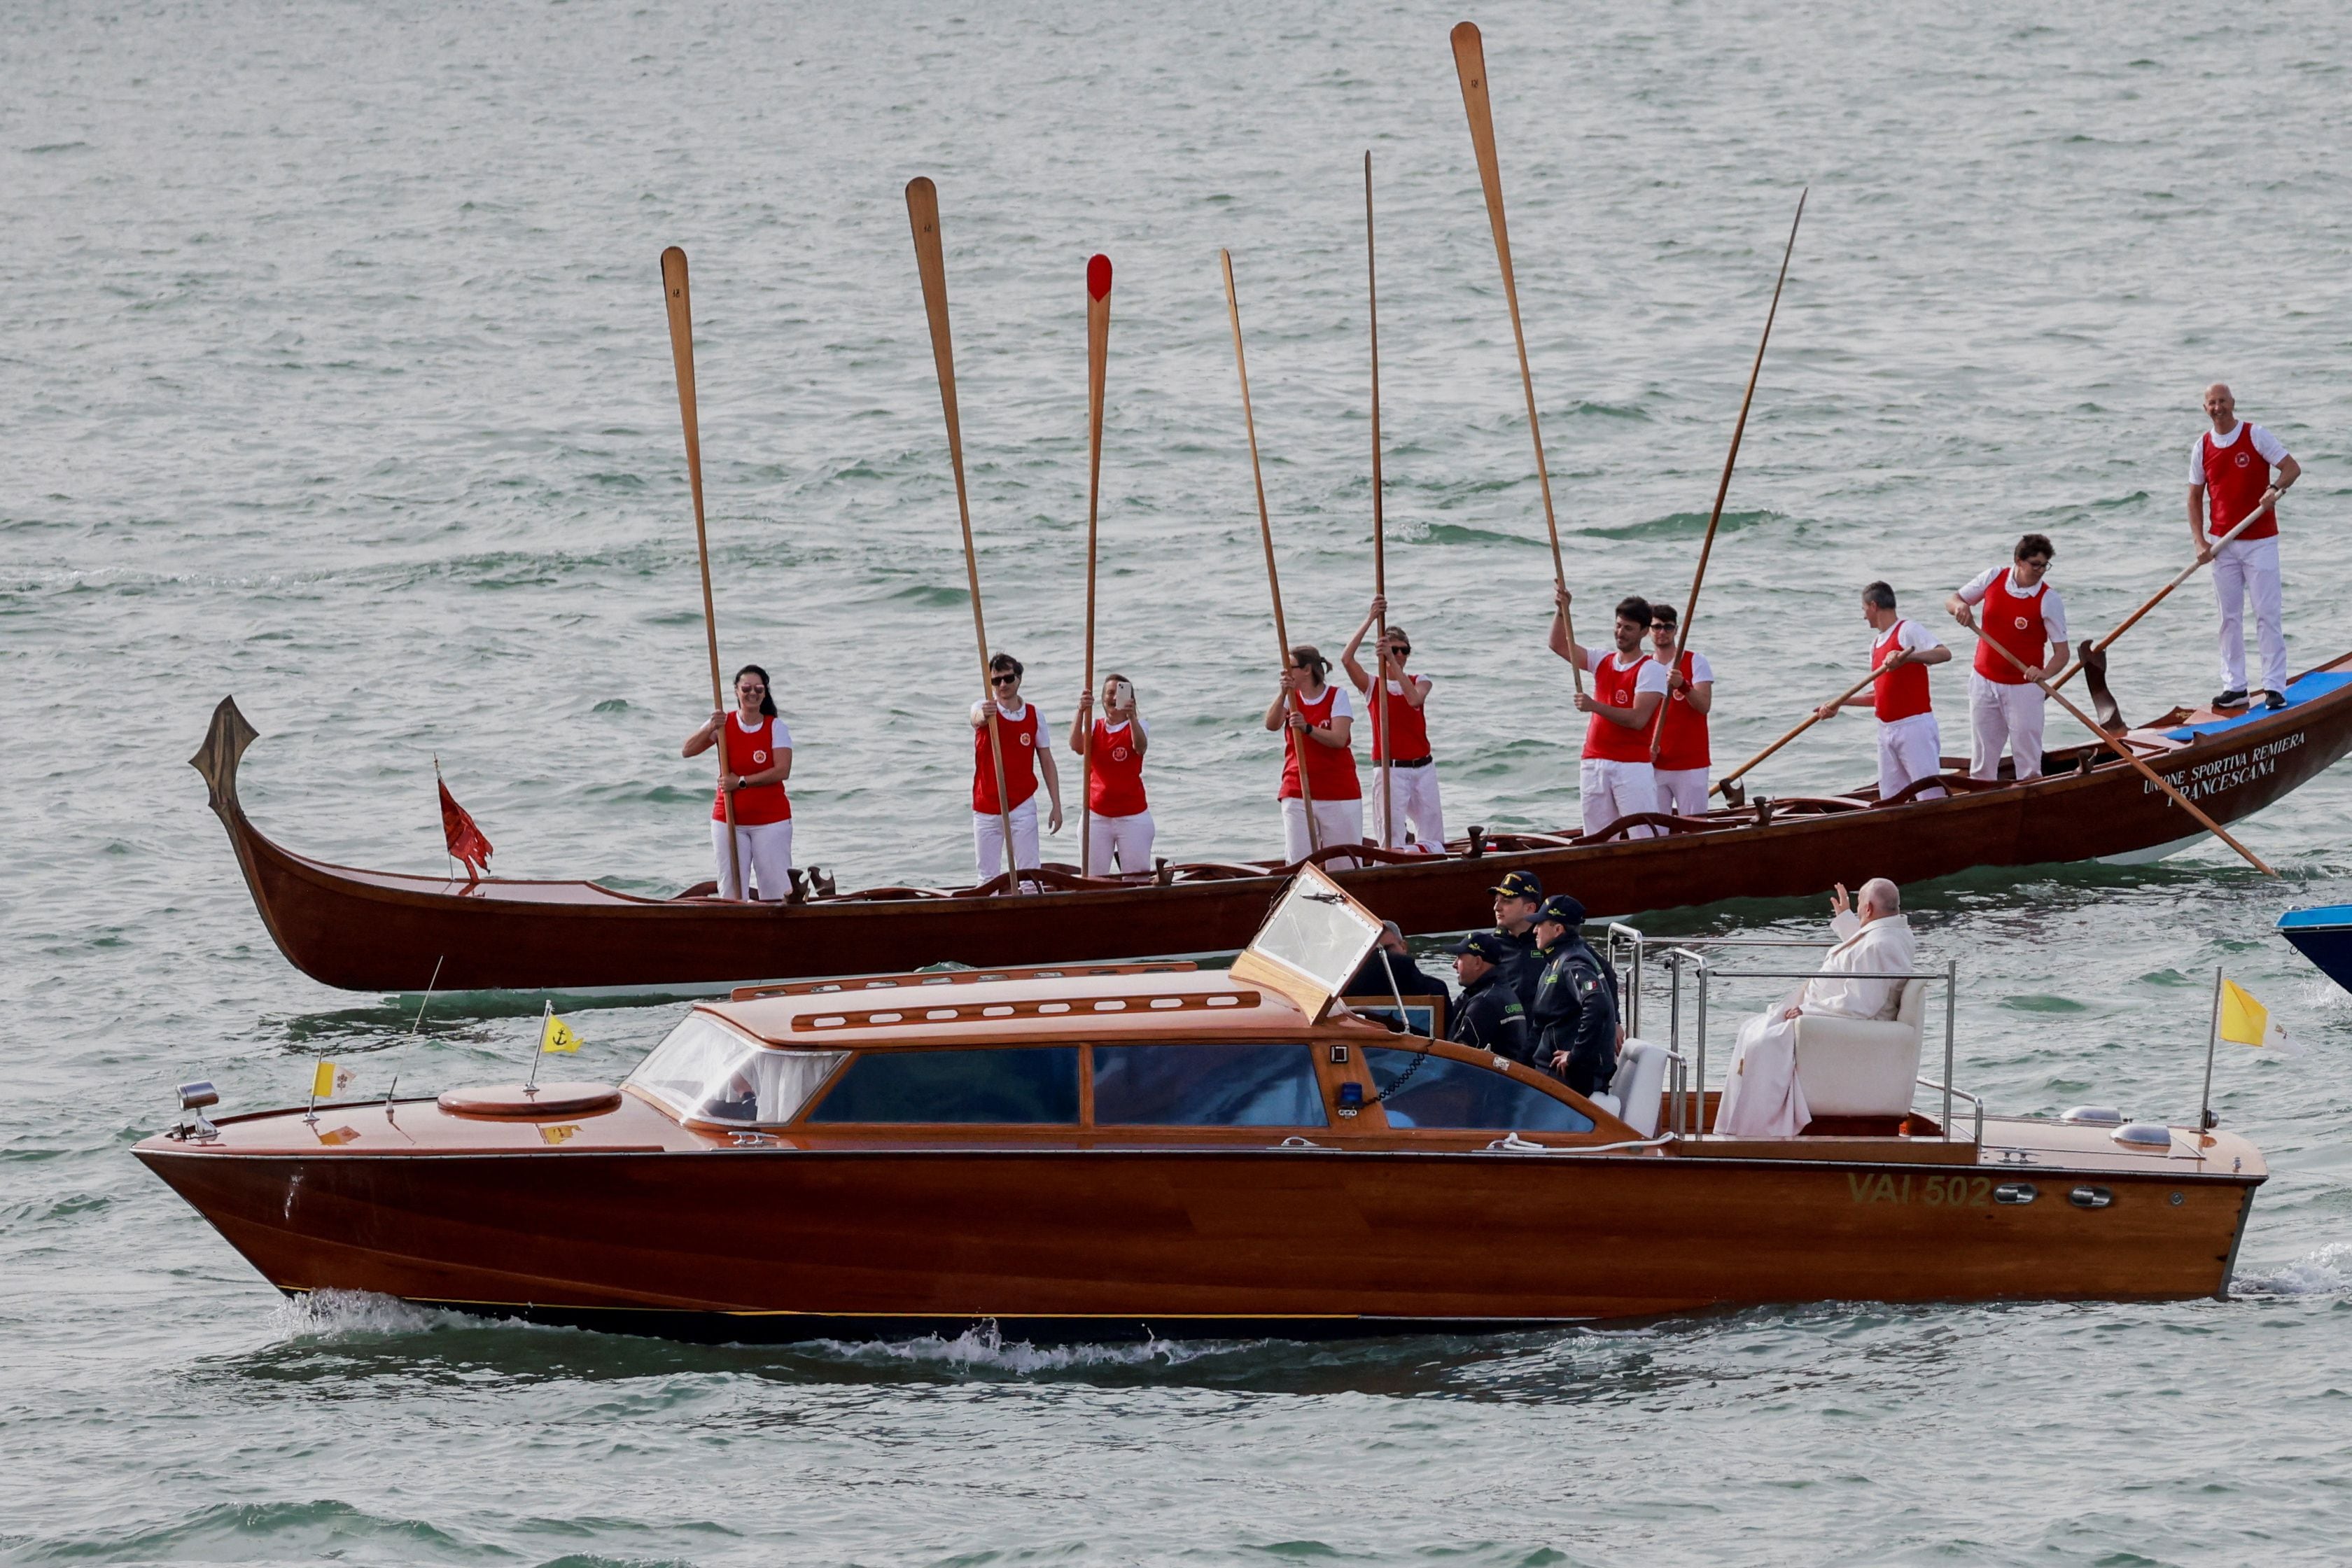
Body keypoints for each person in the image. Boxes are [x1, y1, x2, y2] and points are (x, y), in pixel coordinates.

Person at [1716, 878, 1917, 1138]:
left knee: (1760, 1043)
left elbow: (1861, 1004)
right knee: (1752, 1031)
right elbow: (1861, 957)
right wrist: (1846, 920)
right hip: (1824, 1014)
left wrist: (1809, 1011)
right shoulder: (1890, 934)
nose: (1857, 911)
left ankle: (1758, 1130)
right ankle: (1739, 1125)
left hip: (1831, 1022)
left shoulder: (1880, 944)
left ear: (1868, 909)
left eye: (1858, 907)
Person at [2190, 382, 2302, 709]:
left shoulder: (2256, 435)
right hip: (2222, 544)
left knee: (2267, 614)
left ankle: (2274, 687)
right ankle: (2236, 686)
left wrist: (2274, 488)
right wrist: (2200, 541)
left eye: (2222, 401)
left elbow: (2291, 469)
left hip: (2261, 541)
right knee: (2229, 618)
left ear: (2233, 403)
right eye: (2211, 403)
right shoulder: (2202, 446)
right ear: (2205, 408)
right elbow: (2195, 497)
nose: (2217, 407)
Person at [1815, 582, 1953, 803]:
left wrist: (1907, 657)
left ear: (1873, 606)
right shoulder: (1875, 645)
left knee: (1929, 796)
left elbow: (1944, 654)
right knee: (1890, 799)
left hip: (1914, 727)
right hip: (1886, 730)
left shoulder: (1907, 630)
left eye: (1863, 610)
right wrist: (1840, 703)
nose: (1864, 617)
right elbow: (1879, 695)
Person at [1946, 533, 2066, 783]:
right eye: (2035, 564)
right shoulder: (1993, 577)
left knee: (2028, 757)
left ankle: (2031, 799)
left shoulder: (2049, 599)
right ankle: (1982, 802)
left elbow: (2062, 654)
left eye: (2045, 565)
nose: (2041, 570)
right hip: (1983, 681)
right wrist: (1961, 608)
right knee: (1982, 757)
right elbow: (1953, 599)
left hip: (2024, 689)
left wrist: (2044, 673)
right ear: (2018, 561)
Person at [1549, 587, 1668, 837]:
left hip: (1632, 765)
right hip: (1594, 761)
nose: (1620, 633)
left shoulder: (1651, 670)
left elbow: (1638, 719)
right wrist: (1562, 610)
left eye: (1628, 628)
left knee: (1642, 835)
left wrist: (1594, 706)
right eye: (1618, 626)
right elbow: (1559, 645)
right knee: (1597, 838)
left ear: (1644, 632)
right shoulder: (1601, 660)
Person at [681, 664, 795, 901]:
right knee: (731, 890)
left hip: (771, 821)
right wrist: (712, 726)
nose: (752, 693)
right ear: (736, 691)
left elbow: (782, 771)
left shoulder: (776, 726)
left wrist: (741, 782)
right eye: (746, 688)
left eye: (758, 689)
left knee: (775, 889)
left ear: (765, 693)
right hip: (729, 820)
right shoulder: (723, 724)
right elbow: (687, 751)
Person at [1341, 596, 1443, 853]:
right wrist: (1371, 619)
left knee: (1434, 836)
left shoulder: (1420, 680)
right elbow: (1346, 659)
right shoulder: (1373, 685)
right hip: (1390, 769)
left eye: (1404, 651)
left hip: (1423, 767)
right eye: (1394, 650)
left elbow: (1414, 700)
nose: (1400, 655)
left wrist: (1392, 662)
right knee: (1391, 838)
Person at [1263, 645, 1364, 867]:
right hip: (1297, 789)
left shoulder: (1338, 696)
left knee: (1343, 865)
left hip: (1338, 791)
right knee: (1299, 865)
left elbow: (1339, 739)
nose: (1285, 673)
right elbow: (1271, 724)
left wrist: (1307, 728)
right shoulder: (1291, 698)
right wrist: (1282, 695)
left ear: (1307, 670)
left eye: (1290, 667)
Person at [970, 653, 1063, 884]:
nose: (1002, 685)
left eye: (1008, 678)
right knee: (987, 878)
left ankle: (1030, 911)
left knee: (1029, 876)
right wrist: (984, 715)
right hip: (987, 806)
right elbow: (975, 718)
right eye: (996, 680)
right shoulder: (984, 708)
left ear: (1019, 679)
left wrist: (1056, 804)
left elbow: (1047, 761)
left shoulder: (1034, 715)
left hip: (1022, 805)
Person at [1527, 893, 1619, 1096]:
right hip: (1546, 1069)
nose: (1534, 930)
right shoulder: (1558, 958)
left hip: (1569, 1078)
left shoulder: (1573, 961)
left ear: (1558, 929)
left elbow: (1598, 1004)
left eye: (1539, 925)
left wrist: (1576, 1056)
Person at [1068, 672, 1153, 876]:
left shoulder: (1140, 726)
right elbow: (1076, 746)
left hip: (1132, 817)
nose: (1114, 698)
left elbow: (1140, 747)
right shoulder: (1094, 726)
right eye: (1110, 693)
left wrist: (1131, 716)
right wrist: (1081, 711)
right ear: (1103, 698)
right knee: (1093, 879)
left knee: (1137, 879)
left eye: (1120, 693)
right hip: (1096, 817)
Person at [1644, 603, 1714, 818]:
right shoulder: (1644, 666)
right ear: (1648, 630)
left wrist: (1684, 685)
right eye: (1656, 627)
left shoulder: (1695, 661)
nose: (1662, 632)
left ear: (1676, 630)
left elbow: (1704, 706)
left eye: (1668, 627)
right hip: (1654, 763)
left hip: (1690, 764)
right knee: (1655, 830)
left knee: (1694, 827)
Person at [1444, 930, 1533, 1063]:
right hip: (1510, 1078)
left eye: (1459, 957)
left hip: (1489, 1081)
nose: (1454, 964)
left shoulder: (1483, 1003)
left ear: (1478, 963)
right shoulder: (1503, 992)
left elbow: (1457, 1059)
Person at [1344, 920, 1450, 1002]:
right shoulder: (1348, 991)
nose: (1381, 957)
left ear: (1403, 947)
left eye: (1387, 949)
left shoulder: (1435, 990)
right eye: (1374, 953)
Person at [1488, 869, 1546, 1012]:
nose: (1497, 907)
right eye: (1496, 900)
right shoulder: (1488, 949)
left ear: (1530, 908)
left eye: (1507, 901)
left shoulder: (1555, 943)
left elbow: (1605, 981)